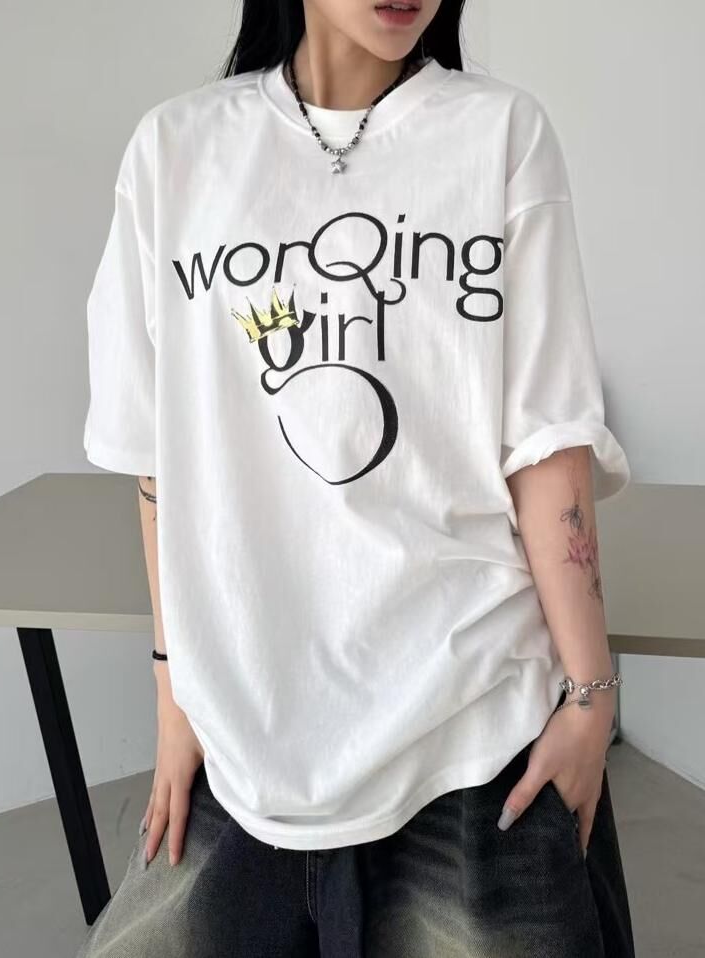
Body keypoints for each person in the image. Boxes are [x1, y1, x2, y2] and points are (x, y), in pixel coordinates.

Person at [77, 0, 637, 954]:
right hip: (245, 734)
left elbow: (548, 445)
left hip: (470, 726)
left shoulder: (500, 133)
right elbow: (158, 464)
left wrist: (591, 695)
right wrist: (175, 705)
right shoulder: (175, 151)